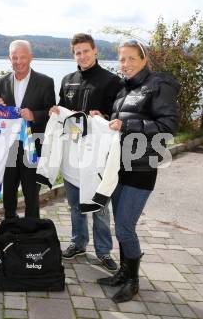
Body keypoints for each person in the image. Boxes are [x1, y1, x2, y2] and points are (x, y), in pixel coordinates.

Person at [96, 40, 178, 303]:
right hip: (119, 167)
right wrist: (106, 121)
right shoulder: (123, 90)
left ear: (144, 59)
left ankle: (133, 281)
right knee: (120, 223)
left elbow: (167, 126)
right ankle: (123, 272)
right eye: (122, 59)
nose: (126, 64)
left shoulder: (158, 85)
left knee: (124, 227)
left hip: (141, 169)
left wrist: (127, 124)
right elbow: (121, 125)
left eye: (131, 58)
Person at [50, 33, 121, 271]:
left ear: (95, 51)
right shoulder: (68, 79)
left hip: (96, 155)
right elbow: (62, 111)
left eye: (86, 51)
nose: (82, 56)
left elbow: (118, 117)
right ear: (74, 55)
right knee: (74, 204)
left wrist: (105, 118)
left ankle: (103, 251)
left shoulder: (111, 81)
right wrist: (55, 112)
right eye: (78, 52)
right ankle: (78, 243)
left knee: (99, 206)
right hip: (72, 154)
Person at [0, 40, 55, 219]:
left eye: (23, 57)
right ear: (9, 58)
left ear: (31, 57)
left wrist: (34, 115)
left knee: (31, 195)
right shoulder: (1, 81)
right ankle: (10, 231)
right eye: (14, 57)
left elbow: (52, 114)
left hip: (33, 146)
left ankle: (32, 233)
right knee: (8, 194)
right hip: (8, 148)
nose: (18, 61)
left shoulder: (45, 82)